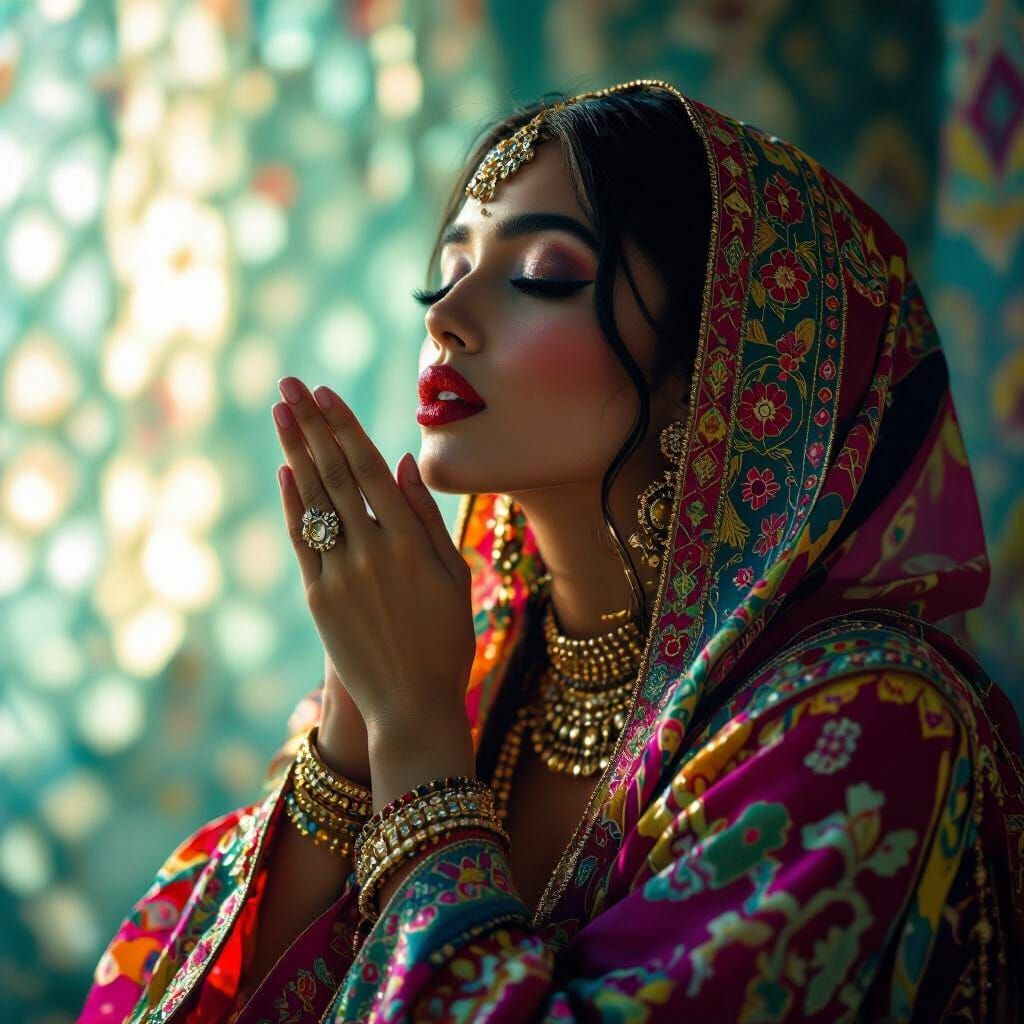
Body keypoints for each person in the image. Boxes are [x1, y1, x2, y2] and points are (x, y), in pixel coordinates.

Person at [78, 78, 1024, 1023]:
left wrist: (414, 736)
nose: (445, 316)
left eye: (541, 275)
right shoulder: (474, 664)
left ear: (730, 356)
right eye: (441, 274)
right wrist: (354, 728)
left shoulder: (866, 720)